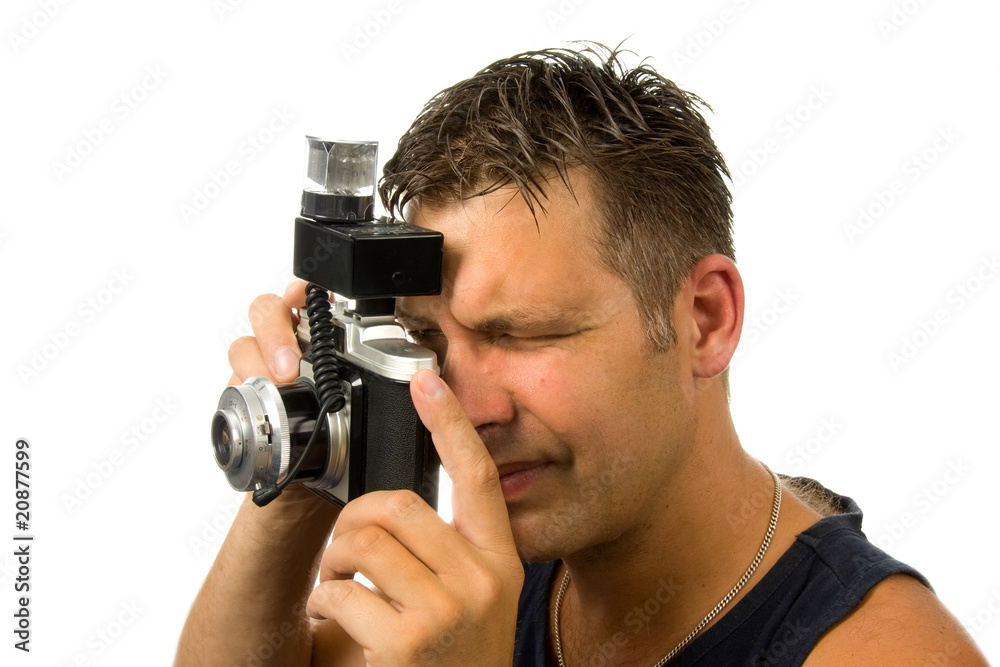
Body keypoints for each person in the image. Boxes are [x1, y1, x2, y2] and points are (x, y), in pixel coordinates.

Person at [176, 45, 987, 666]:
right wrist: (294, 479)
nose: (468, 406)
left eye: (521, 333)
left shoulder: (883, 650)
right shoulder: (499, 568)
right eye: (427, 341)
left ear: (705, 320)